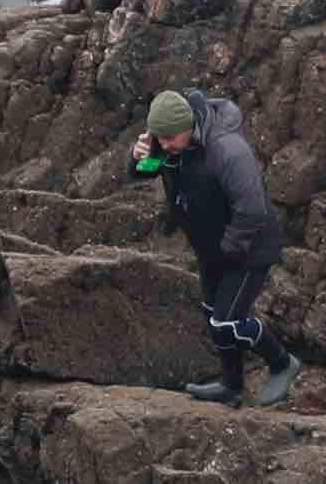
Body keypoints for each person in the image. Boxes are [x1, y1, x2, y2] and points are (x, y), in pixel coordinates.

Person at [127, 89, 300, 407]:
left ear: (188, 126)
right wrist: (138, 159)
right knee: (212, 316)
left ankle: (282, 363)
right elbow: (144, 173)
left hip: (249, 248)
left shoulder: (227, 150)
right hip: (212, 247)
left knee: (227, 322)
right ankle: (232, 386)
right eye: (158, 138)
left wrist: (228, 252)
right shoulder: (170, 145)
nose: (163, 145)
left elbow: (252, 208)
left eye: (168, 138)